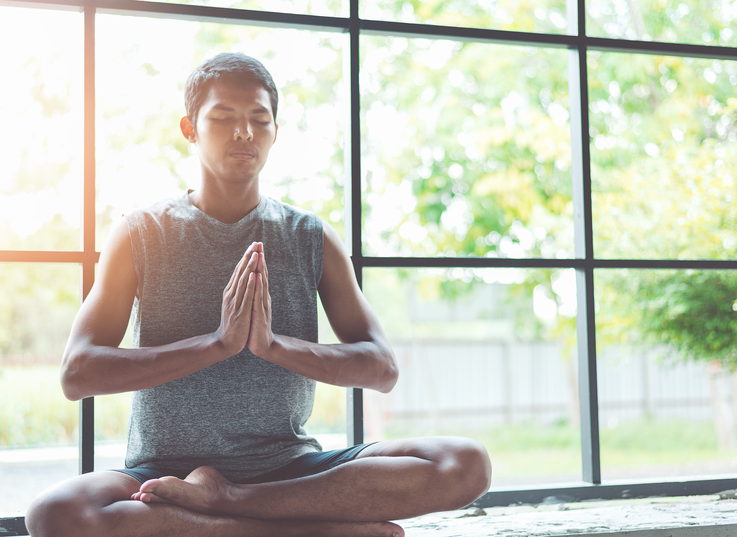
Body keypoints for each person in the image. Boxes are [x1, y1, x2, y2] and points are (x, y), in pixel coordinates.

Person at [25, 52, 491, 537]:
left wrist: (273, 347)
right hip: (164, 476)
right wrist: (216, 345)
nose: (243, 132)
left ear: (273, 132)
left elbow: (382, 368)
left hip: (292, 472)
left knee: (464, 464)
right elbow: (77, 373)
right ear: (190, 128)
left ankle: (228, 502)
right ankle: (311, 532)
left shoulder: (311, 236)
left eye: (258, 119)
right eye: (223, 117)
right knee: (54, 514)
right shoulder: (141, 234)